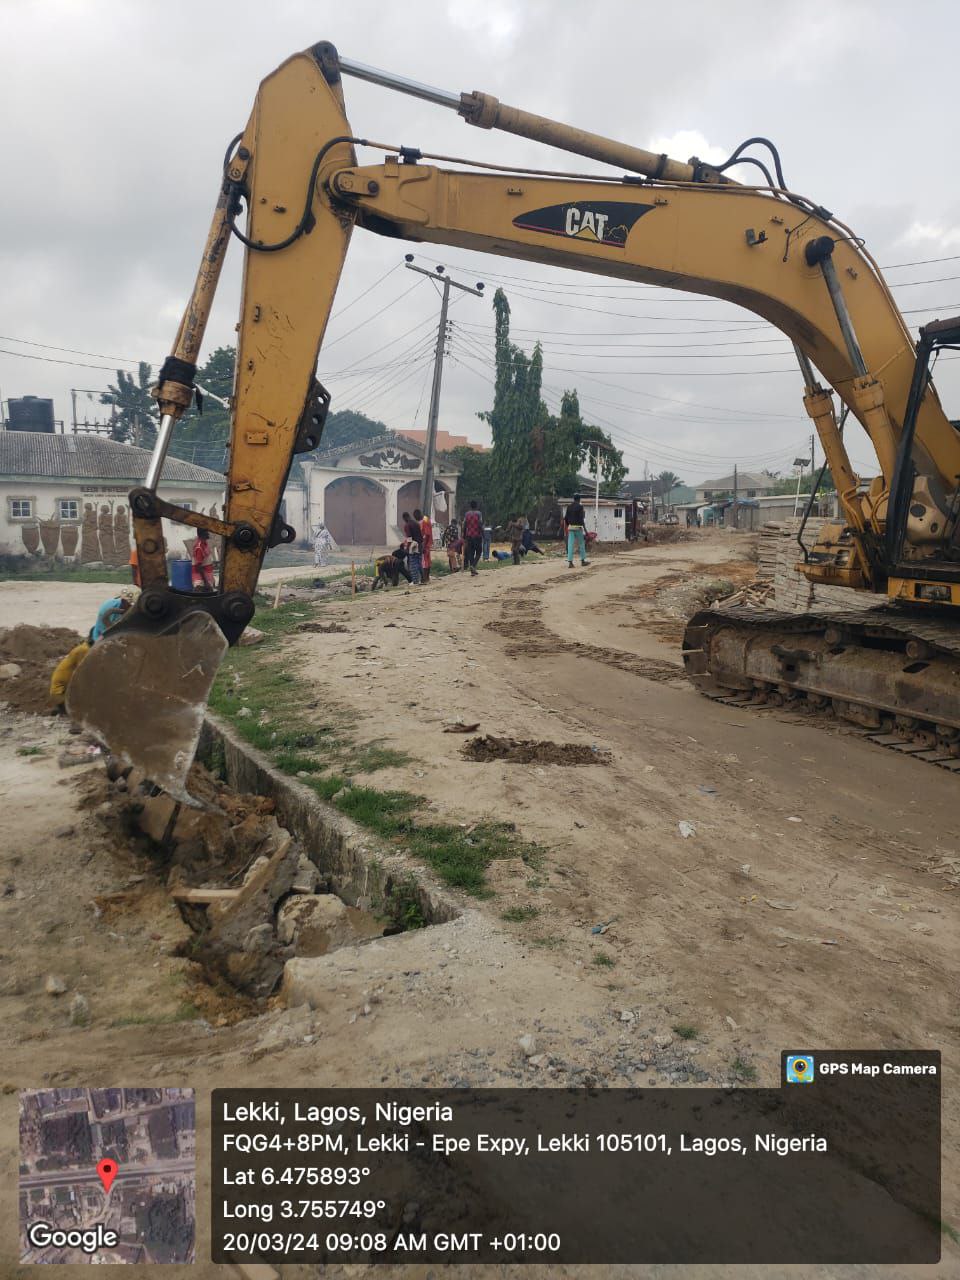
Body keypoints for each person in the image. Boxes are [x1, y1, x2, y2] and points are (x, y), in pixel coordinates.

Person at [49, 630, 94, 714]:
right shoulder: (84, 650)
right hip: (61, 695)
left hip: (61, 694)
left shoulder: (83, 647)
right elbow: (85, 674)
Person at [563, 493, 590, 568]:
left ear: (573, 499)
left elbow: (566, 518)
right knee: (581, 544)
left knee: (570, 545)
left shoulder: (569, 507)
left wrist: (568, 526)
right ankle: (583, 561)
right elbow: (581, 519)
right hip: (578, 528)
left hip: (571, 528)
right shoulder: (580, 507)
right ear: (579, 499)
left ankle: (570, 563)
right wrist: (585, 530)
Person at [462, 500, 484, 577]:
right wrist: (483, 534)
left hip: (469, 536)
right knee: (479, 552)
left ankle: (472, 571)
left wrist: (464, 536)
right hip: (477, 535)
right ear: (476, 506)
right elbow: (480, 524)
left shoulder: (466, 514)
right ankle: (473, 566)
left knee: (471, 552)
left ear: (470, 506)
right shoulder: (479, 513)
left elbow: (464, 525)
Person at [192, 527, 216, 592]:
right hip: (201, 582)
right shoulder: (199, 547)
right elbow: (198, 567)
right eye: (207, 532)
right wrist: (206, 582)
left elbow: (206, 562)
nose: (208, 533)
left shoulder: (204, 544)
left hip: (207, 578)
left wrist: (211, 578)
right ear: (202, 534)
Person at [402, 511, 423, 584]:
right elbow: (420, 535)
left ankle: (415, 581)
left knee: (413, 564)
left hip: (413, 546)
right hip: (420, 545)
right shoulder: (416, 523)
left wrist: (407, 548)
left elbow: (409, 538)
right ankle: (422, 579)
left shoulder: (407, 525)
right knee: (419, 563)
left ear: (405, 518)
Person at [415, 507, 433, 584]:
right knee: (427, 561)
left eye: (416, 518)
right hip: (428, 543)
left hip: (425, 544)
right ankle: (427, 578)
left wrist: (423, 545)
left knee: (424, 562)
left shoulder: (424, 521)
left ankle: (425, 578)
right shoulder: (426, 518)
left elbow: (426, 534)